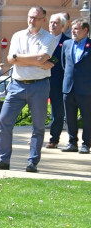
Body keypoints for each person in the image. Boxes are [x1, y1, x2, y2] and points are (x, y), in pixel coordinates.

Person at [0, 6, 56, 173]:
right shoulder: (18, 35)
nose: (32, 21)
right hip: (17, 84)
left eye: (36, 18)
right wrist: (34, 61)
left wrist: (20, 58)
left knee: (38, 126)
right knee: (4, 120)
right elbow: (11, 59)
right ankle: (3, 160)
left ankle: (32, 162)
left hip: (39, 85)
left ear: (44, 20)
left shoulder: (49, 38)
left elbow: (42, 57)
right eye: (30, 17)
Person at [61, 18, 91, 153]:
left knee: (87, 117)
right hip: (69, 88)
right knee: (70, 117)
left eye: (76, 28)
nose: (72, 31)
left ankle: (86, 143)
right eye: (72, 28)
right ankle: (72, 143)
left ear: (85, 30)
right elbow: (64, 65)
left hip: (86, 89)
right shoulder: (67, 44)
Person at [45, 13, 69, 148]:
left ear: (62, 25)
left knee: (58, 112)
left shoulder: (67, 42)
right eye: (51, 22)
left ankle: (54, 139)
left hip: (58, 82)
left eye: (56, 23)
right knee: (38, 111)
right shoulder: (43, 39)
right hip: (41, 79)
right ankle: (36, 137)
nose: (52, 25)